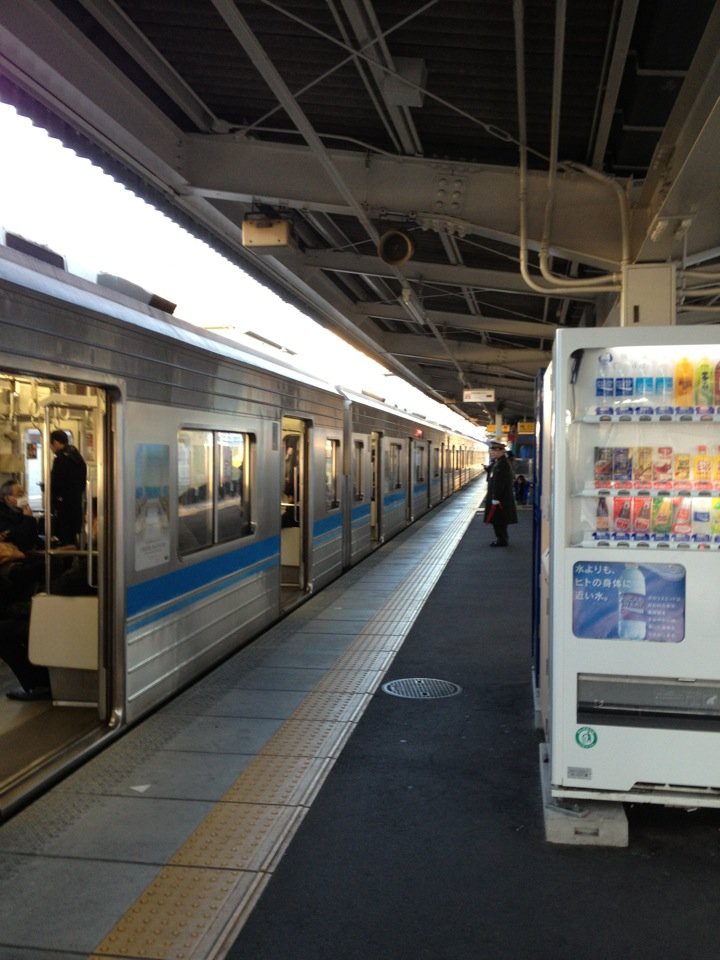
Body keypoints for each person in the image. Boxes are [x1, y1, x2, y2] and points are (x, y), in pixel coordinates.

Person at [49, 429, 87, 546]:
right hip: (76, 503)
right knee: (71, 536)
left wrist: (51, 495)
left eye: (51, 444)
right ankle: (72, 561)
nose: (51, 448)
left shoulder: (61, 459)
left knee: (64, 537)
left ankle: (66, 563)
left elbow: (57, 483)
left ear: (55, 442)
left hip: (64, 505)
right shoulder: (78, 457)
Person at [483, 441, 517, 547]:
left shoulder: (502, 465)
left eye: (494, 451)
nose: (492, 453)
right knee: (498, 519)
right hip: (499, 498)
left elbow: (500, 482)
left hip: (501, 499)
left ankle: (502, 540)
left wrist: (496, 498)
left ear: (501, 451)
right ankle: (501, 538)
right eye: (492, 450)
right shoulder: (498, 462)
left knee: (499, 520)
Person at [0, 480, 40, 552]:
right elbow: (18, 538)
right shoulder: (2, 514)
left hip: (30, 551)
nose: (24, 498)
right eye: (20, 495)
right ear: (7, 498)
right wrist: (28, 518)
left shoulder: (18, 510)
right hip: (15, 553)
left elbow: (33, 537)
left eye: (24, 494)